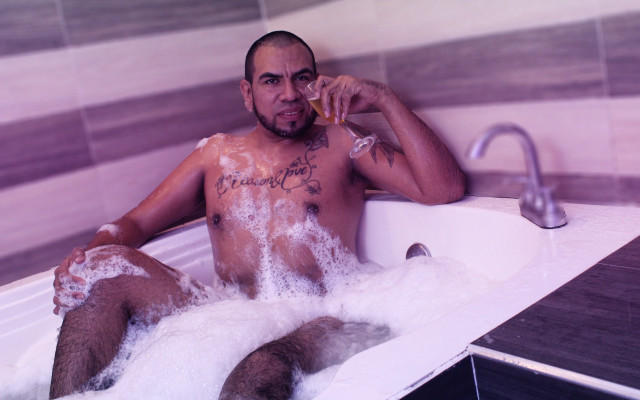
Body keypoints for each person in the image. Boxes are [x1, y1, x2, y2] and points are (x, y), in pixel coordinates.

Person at [49, 31, 465, 399]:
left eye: (302, 78)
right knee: (101, 272)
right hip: (228, 312)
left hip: (322, 315)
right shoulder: (215, 156)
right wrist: (84, 262)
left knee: (258, 368)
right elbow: (134, 224)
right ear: (247, 93)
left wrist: (382, 98)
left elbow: (442, 188)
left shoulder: (341, 143)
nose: (290, 93)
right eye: (272, 81)